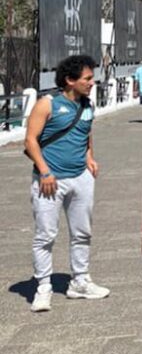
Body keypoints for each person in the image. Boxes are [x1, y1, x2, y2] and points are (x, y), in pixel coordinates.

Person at [24, 54, 110, 311]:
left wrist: (90, 157)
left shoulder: (87, 105)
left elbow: (86, 131)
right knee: (46, 235)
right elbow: (30, 140)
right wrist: (45, 172)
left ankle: (80, 281)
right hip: (50, 179)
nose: (92, 82)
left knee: (82, 232)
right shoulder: (47, 104)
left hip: (81, 178)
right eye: (87, 78)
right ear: (70, 80)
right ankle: (43, 287)